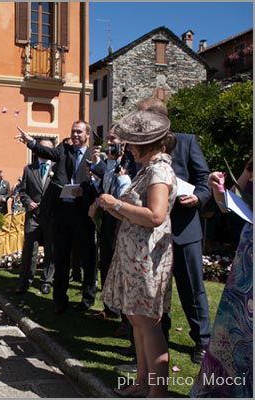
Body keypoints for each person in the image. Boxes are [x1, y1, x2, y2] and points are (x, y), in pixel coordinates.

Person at [98, 110, 177, 397]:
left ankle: (157, 393)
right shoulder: (149, 168)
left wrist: (116, 205)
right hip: (137, 256)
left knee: (148, 324)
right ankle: (142, 383)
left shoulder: (158, 170)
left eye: (132, 143)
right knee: (136, 319)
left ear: (146, 144)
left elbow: (155, 216)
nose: (128, 147)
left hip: (148, 258)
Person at [137, 97, 212, 363]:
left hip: (184, 229)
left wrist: (199, 198)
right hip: (153, 235)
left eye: (141, 118)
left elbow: (204, 179)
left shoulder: (187, 141)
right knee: (156, 291)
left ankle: (203, 341)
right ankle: (158, 340)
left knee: (192, 289)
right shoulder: (140, 149)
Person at [15, 122, 98, 310]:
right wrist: (31, 143)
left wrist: (83, 191)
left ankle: (88, 298)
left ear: (88, 135)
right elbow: (48, 154)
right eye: (73, 131)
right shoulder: (64, 149)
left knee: (87, 257)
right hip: (62, 213)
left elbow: (99, 182)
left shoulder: (94, 155)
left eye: (79, 132)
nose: (75, 135)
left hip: (83, 213)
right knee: (61, 257)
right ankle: (60, 300)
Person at [190, 157, 252, 398]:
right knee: (236, 329)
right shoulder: (251, 164)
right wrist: (217, 187)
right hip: (247, 258)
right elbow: (228, 205)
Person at [87, 126, 132, 319]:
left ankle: (124, 316)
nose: (109, 143)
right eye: (107, 139)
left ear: (123, 142)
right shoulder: (109, 164)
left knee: (119, 266)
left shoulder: (130, 163)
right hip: (106, 219)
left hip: (121, 221)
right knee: (105, 263)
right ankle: (109, 308)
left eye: (112, 139)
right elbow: (104, 187)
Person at [16, 138, 56, 294]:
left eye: (49, 149)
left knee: (50, 251)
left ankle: (47, 280)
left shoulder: (57, 168)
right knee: (29, 250)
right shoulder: (29, 169)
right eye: (43, 148)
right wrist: (28, 203)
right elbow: (23, 191)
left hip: (51, 216)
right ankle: (25, 281)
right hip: (33, 216)